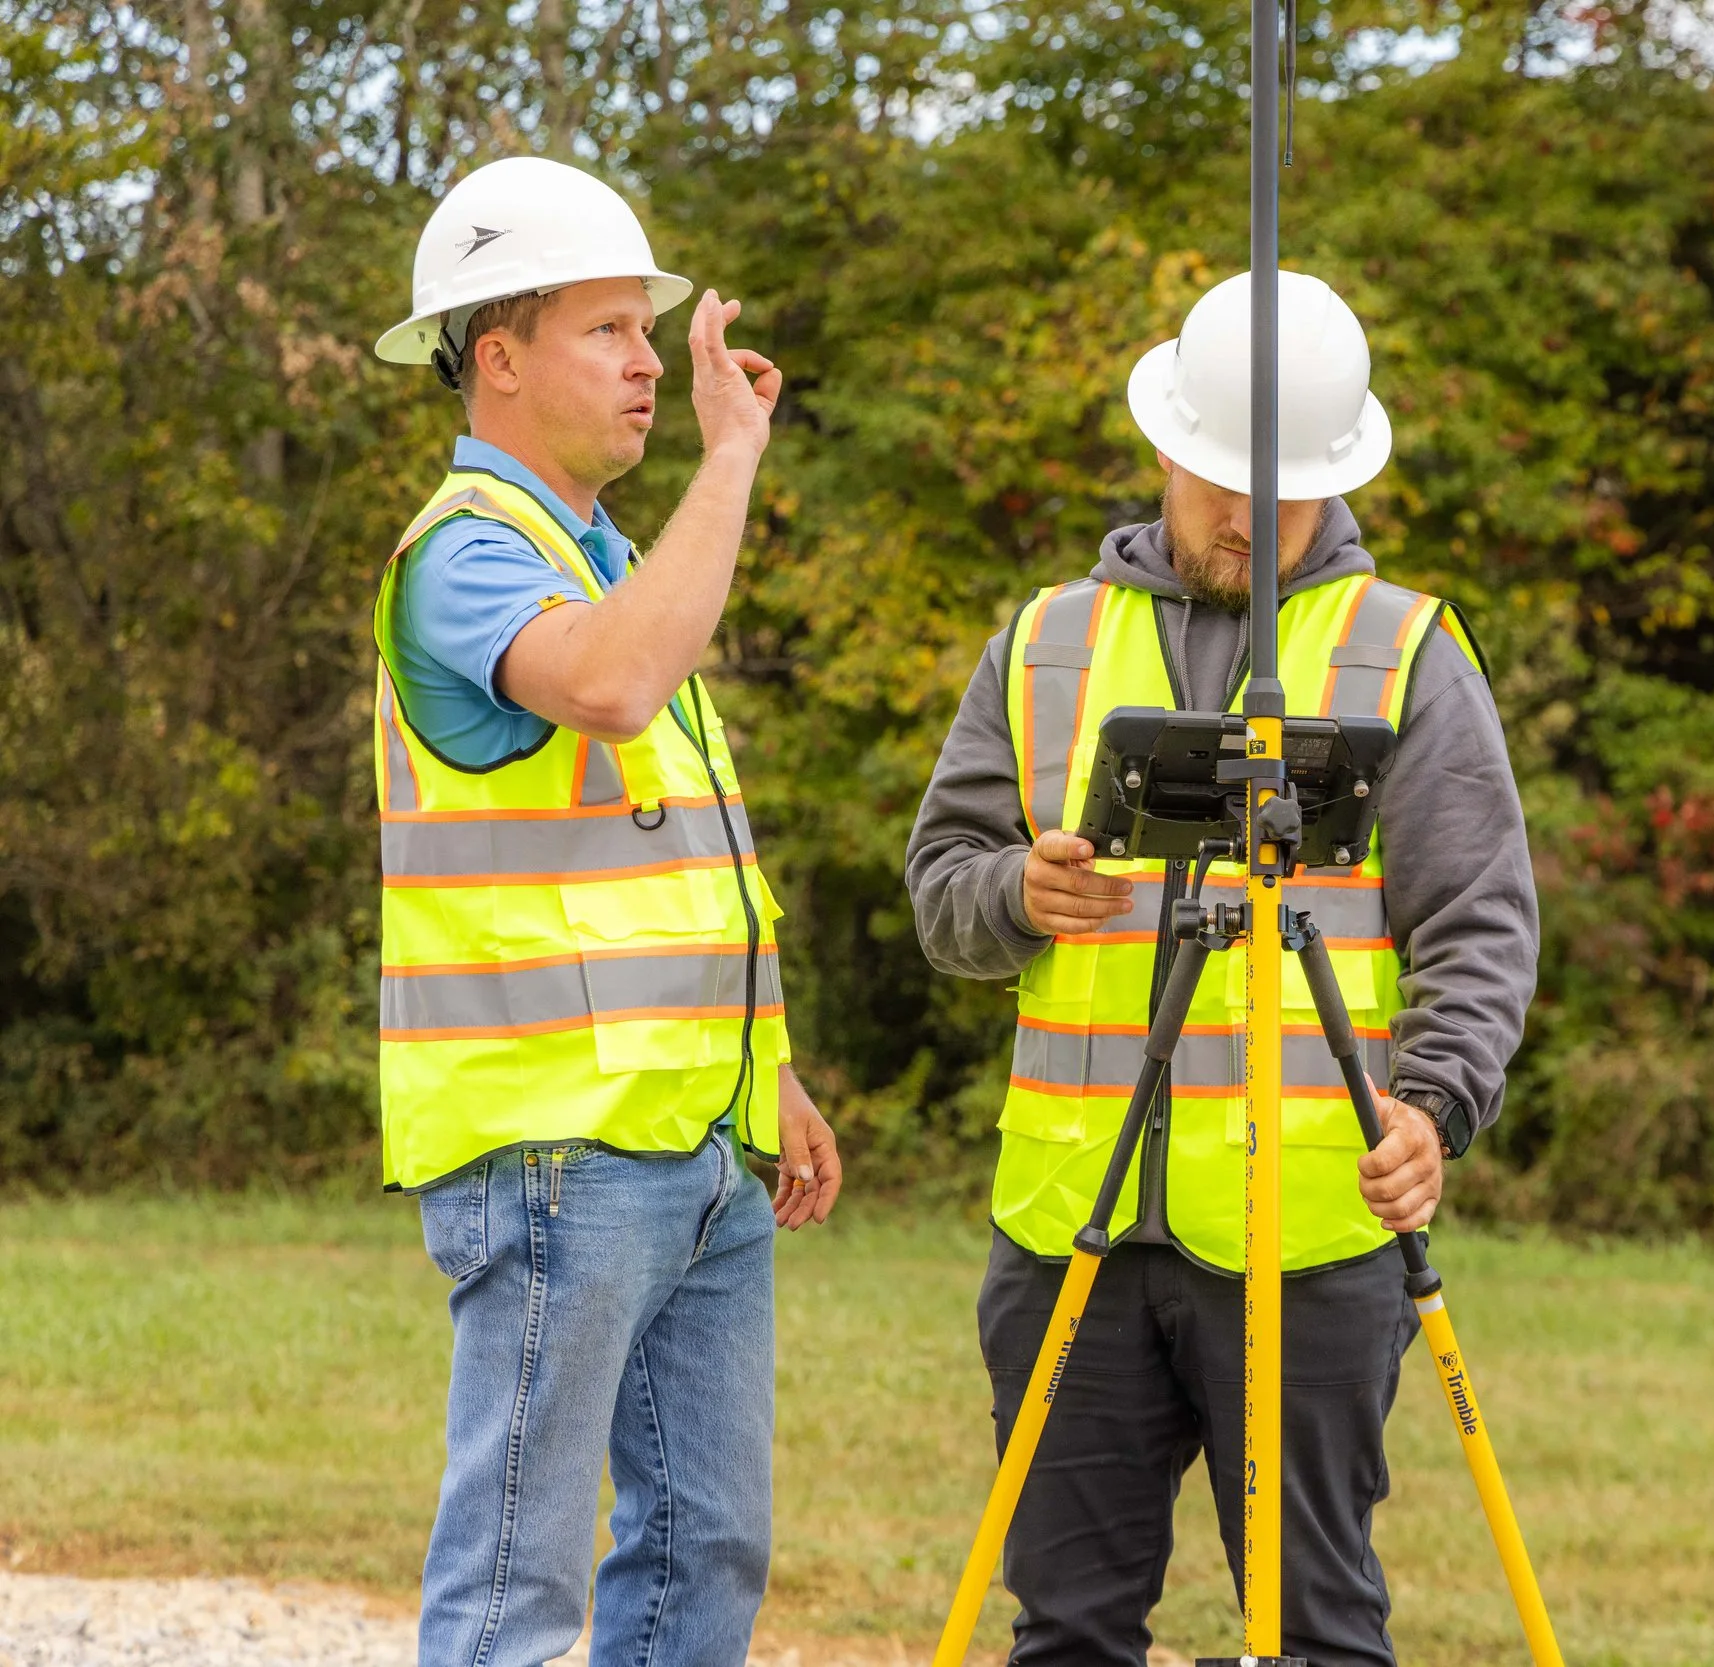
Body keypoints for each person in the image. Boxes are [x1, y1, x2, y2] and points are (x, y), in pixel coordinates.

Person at [905, 270, 1539, 1666]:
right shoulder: (1045, 641)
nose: (1250, 520)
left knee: (1312, 1629)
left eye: (1286, 492)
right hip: (1073, 1224)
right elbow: (941, 896)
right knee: (1066, 1628)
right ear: (1168, 447)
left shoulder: (1405, 652)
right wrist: (1018, 888)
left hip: (1306, 1234)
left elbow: (1482, 922)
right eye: (1222, 484)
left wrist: (1434, 1105)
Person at [368, 155, 842, 1667]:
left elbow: (677, 849)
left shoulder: (608, 560)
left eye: (651, 331)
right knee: (517, 1586)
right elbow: (614, 686)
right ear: (495, 358)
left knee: (705, 1549)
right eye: (609, 332)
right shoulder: (464, 556)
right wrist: (729, 460)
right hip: (554, 1148)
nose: (651, 363)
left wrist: (763, 1062)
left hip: (689, 1139)